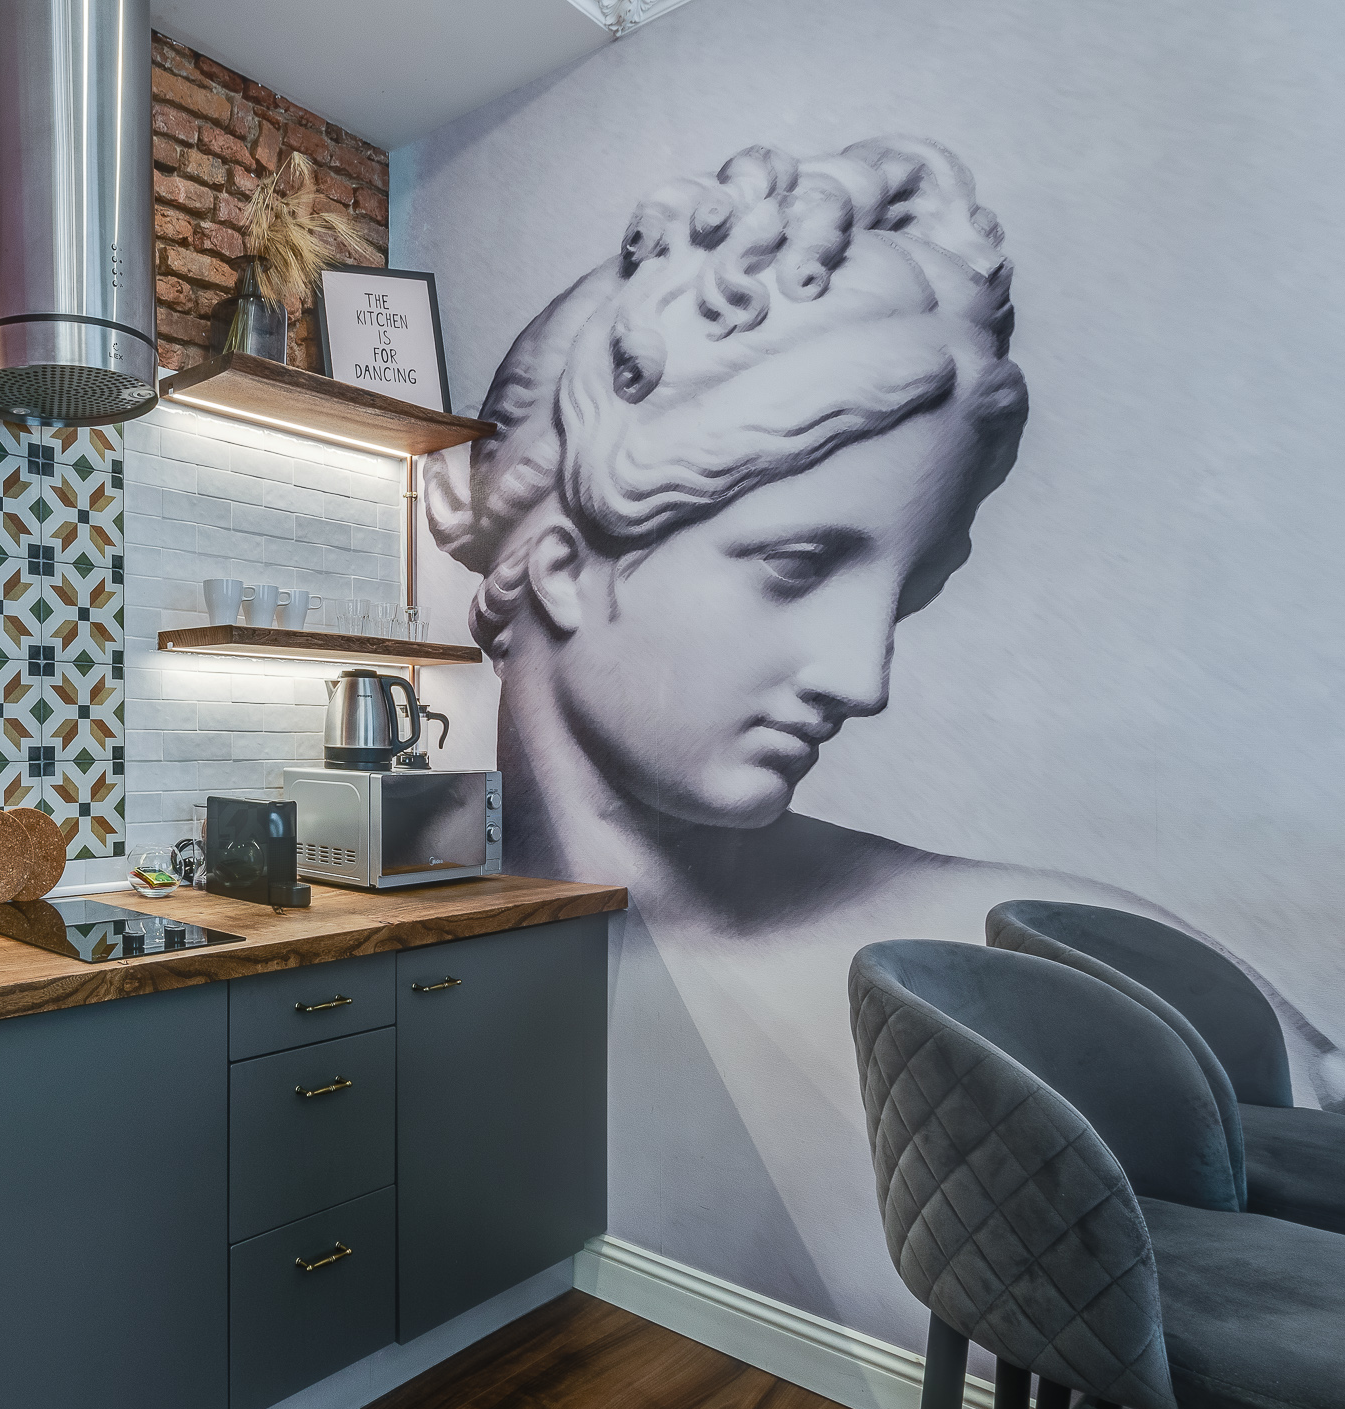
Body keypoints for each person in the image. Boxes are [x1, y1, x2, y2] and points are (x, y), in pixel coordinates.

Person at [425, 136, 1343, 1336]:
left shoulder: (1054, 968)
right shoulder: (460, 964)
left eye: (903, 595)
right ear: (556, 565)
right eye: (799, 565)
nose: (865, 682)